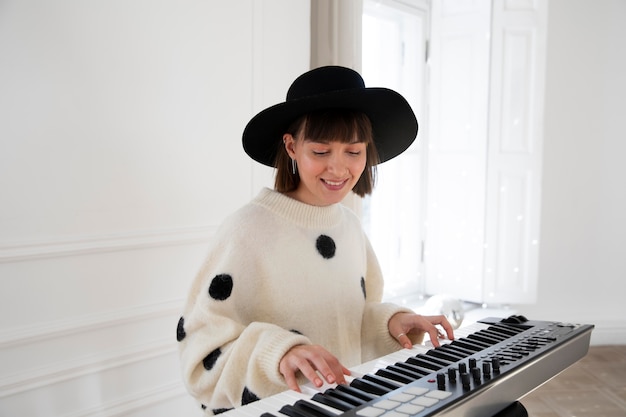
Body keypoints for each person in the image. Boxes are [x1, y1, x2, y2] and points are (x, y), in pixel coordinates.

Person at [176, 65, 455, 415]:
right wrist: (280, 353)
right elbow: (199, 354)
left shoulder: (350, 227)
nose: (339, 170)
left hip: (339, 407)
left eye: (353, 152)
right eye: (321, 152)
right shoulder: (247, 230)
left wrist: (390, 323)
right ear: (292, 147)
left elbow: (347, 324)